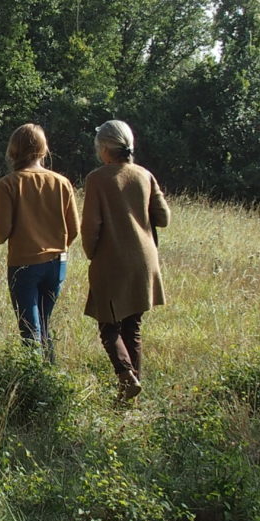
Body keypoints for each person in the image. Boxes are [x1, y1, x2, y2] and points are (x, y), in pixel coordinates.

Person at [81, 120, 170, 401]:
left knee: (108, 326)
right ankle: (130, 391)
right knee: (132, 327)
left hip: (112, 261)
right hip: (145, 262)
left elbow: (91, 227)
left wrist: (91, 252)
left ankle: (125, 376)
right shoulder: (145, 175)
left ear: (105, 148)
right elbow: (164, 218)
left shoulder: (97, 178)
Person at [0, 123, 79, 363]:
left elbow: (4, 229)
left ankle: (34, 383)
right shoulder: (62, 182)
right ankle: (50, 375)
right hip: (57, 264)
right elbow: (74, 229)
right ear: (43, 149)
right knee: (44, 322)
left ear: (13, 150)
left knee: (29, 329)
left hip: (24, 265)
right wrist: (57, 246)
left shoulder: (9, 183)